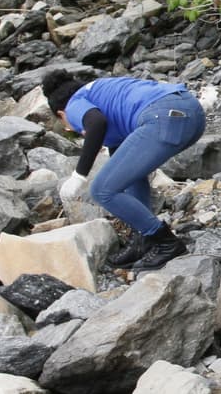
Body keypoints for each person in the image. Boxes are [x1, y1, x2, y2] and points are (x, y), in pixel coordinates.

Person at [42, 71, 207, 272]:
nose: (75, 129)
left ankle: (166, 242)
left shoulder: (74, 103)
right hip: (191, 113)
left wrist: (79, 175)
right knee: (128, 180)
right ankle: (145, 239)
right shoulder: (102, 91)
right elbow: (124, 167)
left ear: (61, 114)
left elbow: (96, 123)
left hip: (164, 117)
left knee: (102, 190)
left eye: (68, 127)